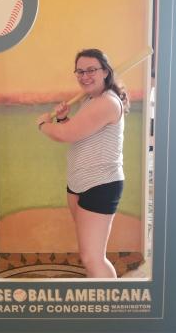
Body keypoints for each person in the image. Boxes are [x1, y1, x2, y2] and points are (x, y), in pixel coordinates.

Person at [36, 48, 127, 278]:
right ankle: (97, 298)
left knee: (93, 257)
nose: (84, 76)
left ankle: (109, 309)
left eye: (91, 70)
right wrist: (65, 118)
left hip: (101, 185)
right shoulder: (91, 99)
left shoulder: (107, 102)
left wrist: (44, 124)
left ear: (105, 72)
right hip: (80, 183)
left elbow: (65, 135)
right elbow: (79, 133)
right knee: (89, 254)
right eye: (79, 71)